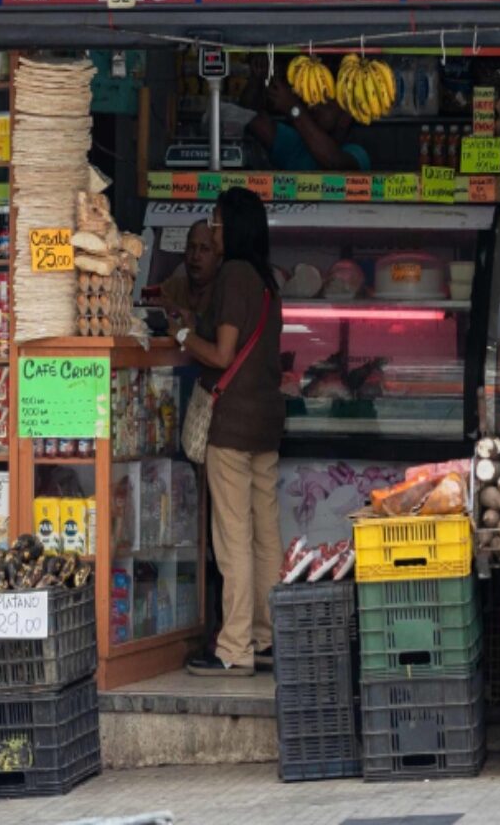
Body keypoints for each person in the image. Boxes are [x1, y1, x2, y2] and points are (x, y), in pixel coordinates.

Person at [170, 188, 284, 677]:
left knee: (232, 537)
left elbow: (221, 355)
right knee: (264, 534)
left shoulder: (235, 273)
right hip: (265, 424)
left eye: (216, 222)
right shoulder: (266, 280)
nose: (211, 231)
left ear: (233, 227)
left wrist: (181, 335)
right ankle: (264, 636)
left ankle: (233, 646)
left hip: (232, 424)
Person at [242, 55, 371, 172]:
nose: (313, 107)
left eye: (324, 101)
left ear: (345, 116)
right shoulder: (295, 143)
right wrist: (257, 77)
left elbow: (334, 162)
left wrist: (293, 108)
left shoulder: (357, 154)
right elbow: (250, 117)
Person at [157, 219, 222, 319]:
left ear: (218, 258)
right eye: (192, 247)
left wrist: (179, 312)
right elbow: (147, 298)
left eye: (204, 249)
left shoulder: (224, 292)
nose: (195, 256)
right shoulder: (174, 286)